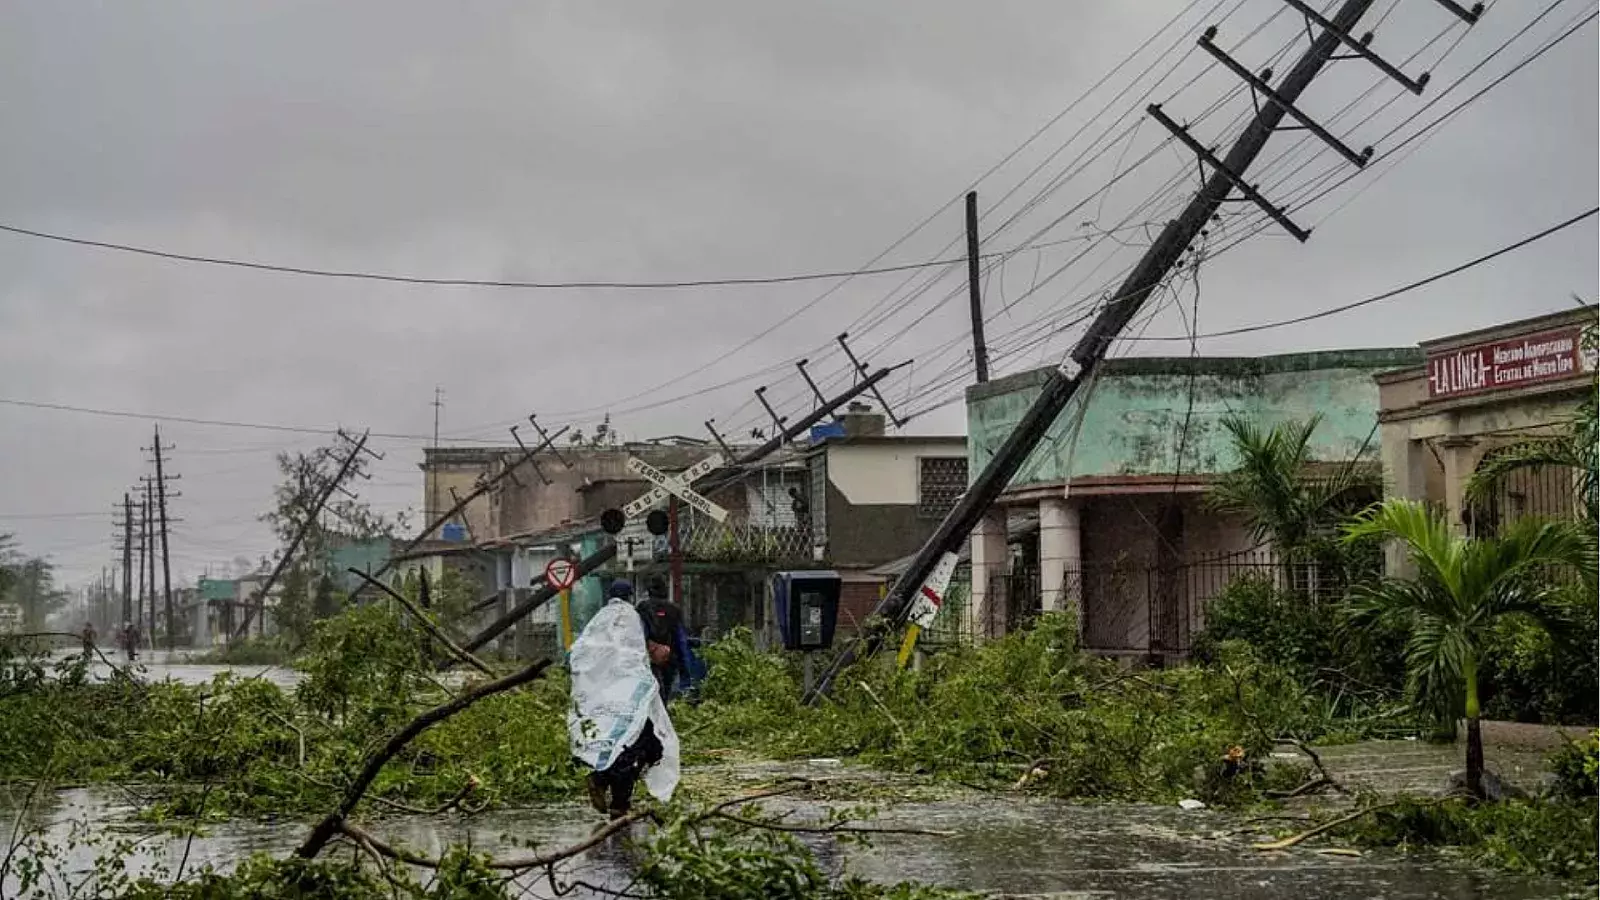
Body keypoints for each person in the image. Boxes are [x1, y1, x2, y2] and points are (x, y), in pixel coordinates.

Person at [568, 580, 680, 820]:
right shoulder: (634, 618)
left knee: (628, 744)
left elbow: (579, 654)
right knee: (642, 745)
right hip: (632, 695)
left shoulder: (599, 620)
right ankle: (617, 800)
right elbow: (641, 650)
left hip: (608, 697)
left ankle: (606, 785)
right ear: (630, 596)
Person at [635, 577, 689, 703]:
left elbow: (637, 634)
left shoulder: (642, 608)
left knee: (648, 697)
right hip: (669, 659)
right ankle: (662, 718)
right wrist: (684, 671)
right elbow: (681, 640)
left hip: (647, 659)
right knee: (665, 694)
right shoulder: (674, 610)